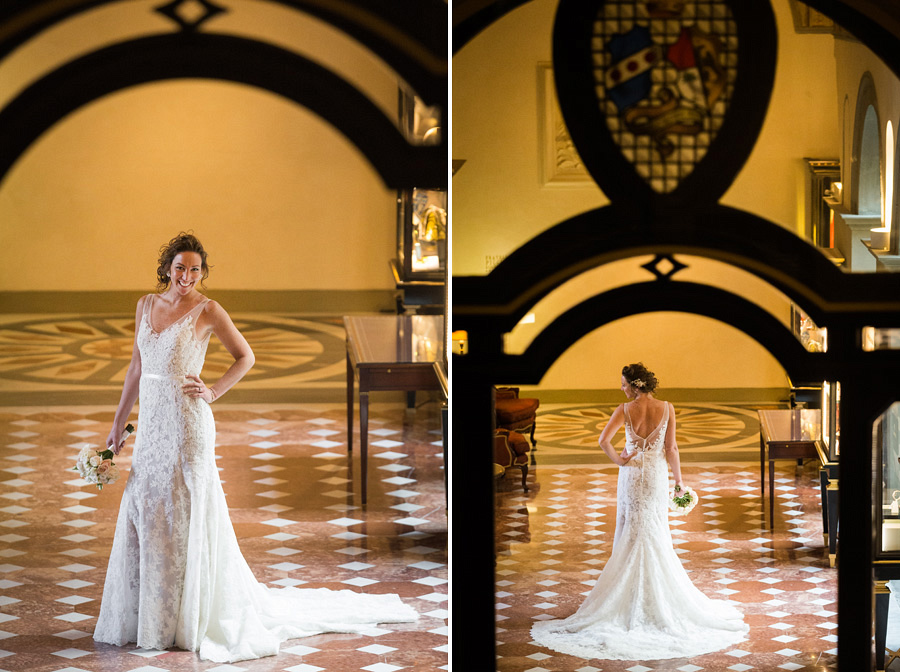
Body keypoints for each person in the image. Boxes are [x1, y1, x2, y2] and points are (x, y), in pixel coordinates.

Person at [93, 233, 417, 662]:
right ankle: (147, 614)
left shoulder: (208, 311)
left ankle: (185, 617)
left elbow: (245, 356)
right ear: (166, 268)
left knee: (186, 510)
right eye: (180, 267)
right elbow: (136, 366)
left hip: (188, 424)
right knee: (146, 507)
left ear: (202, 273)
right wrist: (118, 423)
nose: (186, 276)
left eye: (195, 269)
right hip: (151, 426)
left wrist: (213, 391)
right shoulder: (145, 306)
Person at [531, 363, 748, 660]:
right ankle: (655, 597)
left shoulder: (624, 409)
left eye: (623, 384)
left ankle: (625, 597)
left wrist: (620, 461)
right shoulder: (667, 408)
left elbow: (603, 441)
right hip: (656, 477)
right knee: (655, 528)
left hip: (632, 476)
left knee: (631, 529)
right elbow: (671, 449)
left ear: (634, 386)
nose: (621, 388)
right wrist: (679, 482)